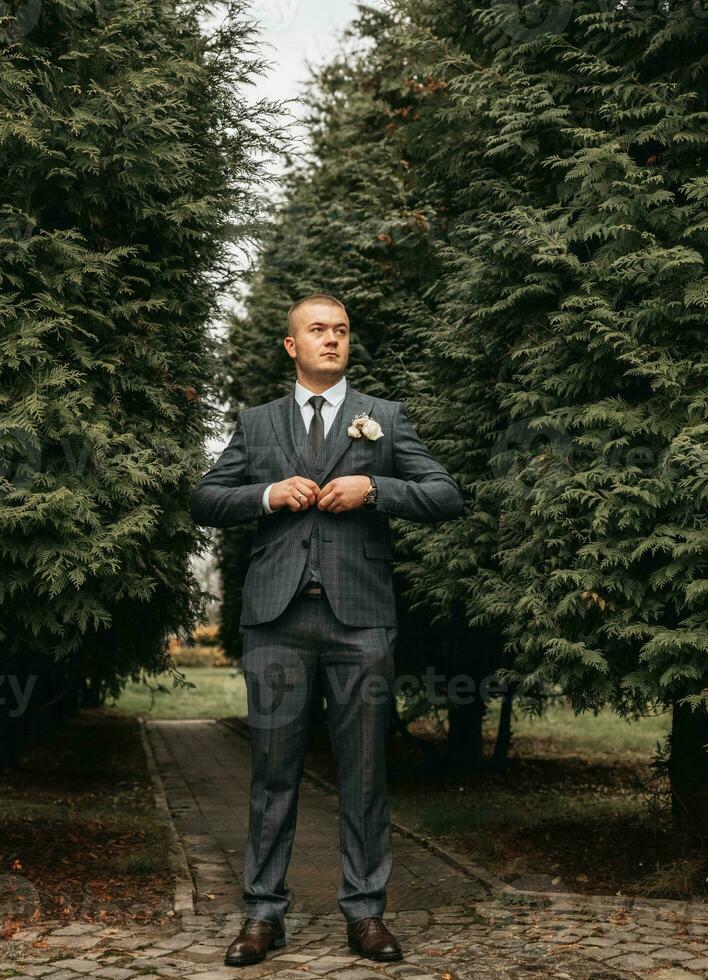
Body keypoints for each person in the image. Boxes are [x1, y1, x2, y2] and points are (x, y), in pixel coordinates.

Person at [190, 293, 464, 965]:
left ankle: (365, 915)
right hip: (277, 622)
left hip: (361, 621)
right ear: (292, 345)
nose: (332, 340)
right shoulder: (257, 425)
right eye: (318, 330)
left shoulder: (385, 420)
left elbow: (446, 495)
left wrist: (378, 490)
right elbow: (203, 498)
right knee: (271, 772)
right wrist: (267, 494)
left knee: (365, 772)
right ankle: (262, 915)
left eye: (340, 331)